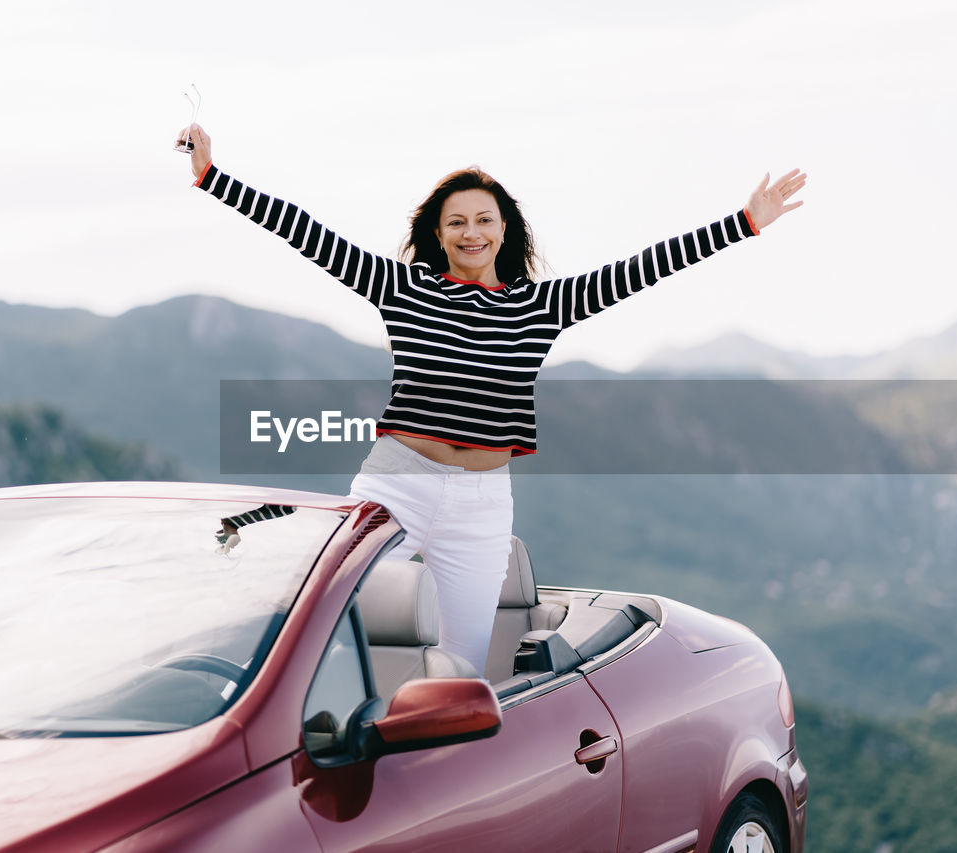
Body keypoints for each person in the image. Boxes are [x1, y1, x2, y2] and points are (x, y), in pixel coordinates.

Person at [177, 121, 805, 675]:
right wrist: (212, 176)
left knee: (463, 671)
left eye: (483, 220)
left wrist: (744, 223)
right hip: (399, 484)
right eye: (457, 222)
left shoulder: (540, 306)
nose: (471, 232)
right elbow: (307, 235)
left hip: (482, 506)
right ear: (439, 233)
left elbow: (642, 269)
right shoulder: (402, 287)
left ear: (504, 229)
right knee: (325, 619)